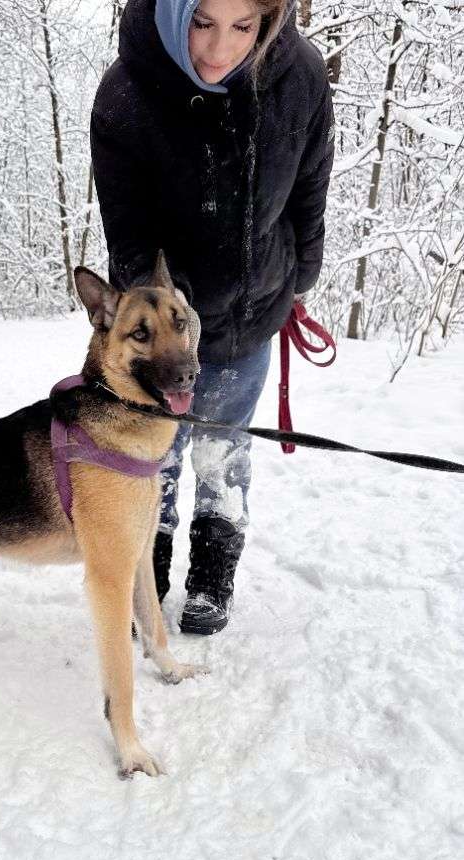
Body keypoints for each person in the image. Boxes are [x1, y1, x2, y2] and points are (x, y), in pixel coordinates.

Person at [90, 0, 334, 634]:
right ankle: (152, 572)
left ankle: (211, 579)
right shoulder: (126, 94)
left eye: (243, 27)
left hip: (256, 315)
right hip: (168, 330)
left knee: (224, 452)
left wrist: (299, 277)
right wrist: (175, 320)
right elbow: (130, 236)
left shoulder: (301, 77)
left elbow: (310, 190)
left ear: (269, 19)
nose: (221, 51)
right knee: (155, 458)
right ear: (175, 15)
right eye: (202, 23)